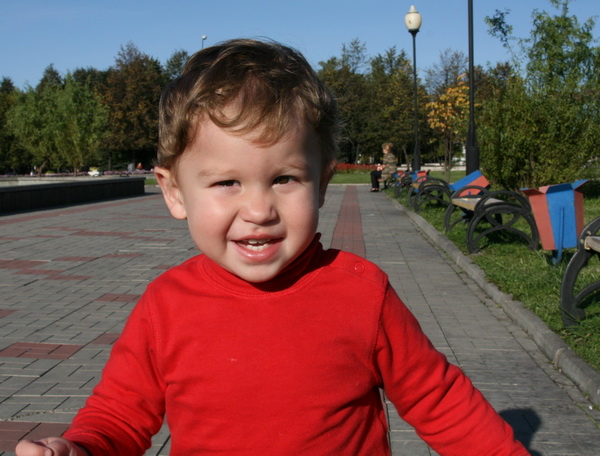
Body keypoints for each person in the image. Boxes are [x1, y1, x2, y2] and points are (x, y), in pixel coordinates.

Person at [15, 39, 528, 456]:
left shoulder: (361, 293)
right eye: (226, 183)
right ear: (175, 193)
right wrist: (81, 447)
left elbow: (439, 399)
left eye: (284, 178)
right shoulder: (164, 307)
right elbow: (119, 416)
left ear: (322, 183)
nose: (259, 210)